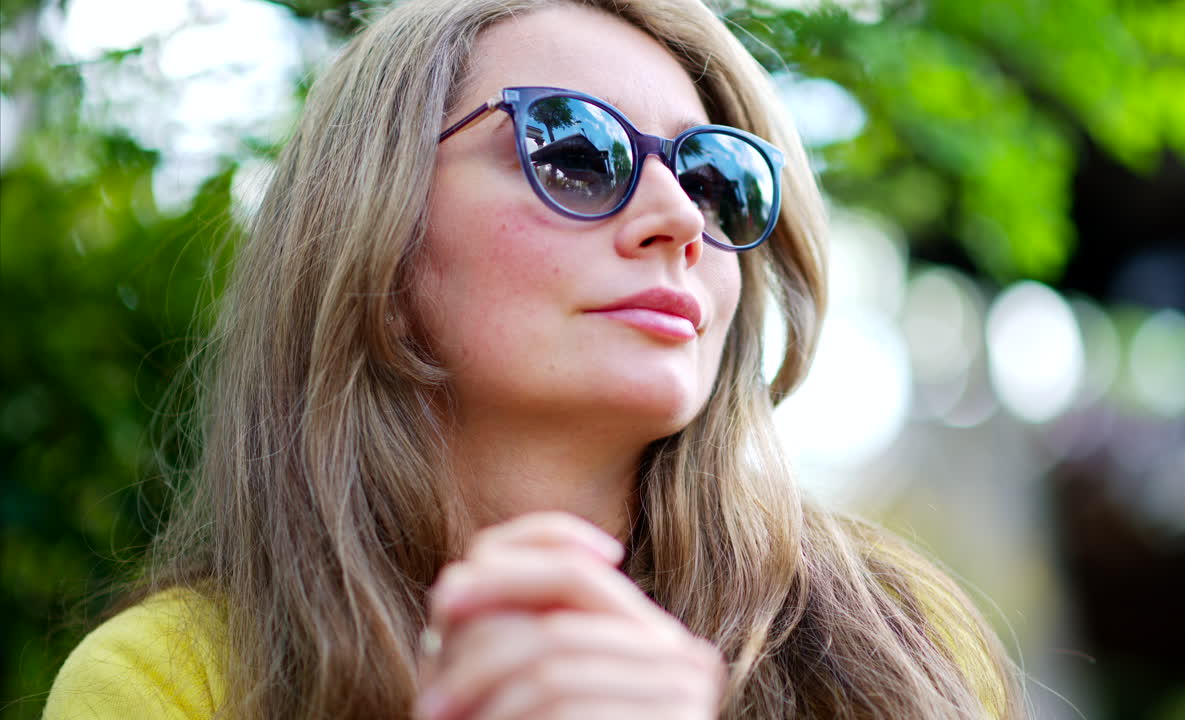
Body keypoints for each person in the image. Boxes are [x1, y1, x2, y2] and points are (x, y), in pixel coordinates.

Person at [44, 0, 1025, 718]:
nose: (680, 218)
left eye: (713, 178)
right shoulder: (172, 683)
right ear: (374, 234)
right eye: (576, 152)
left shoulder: (892, 646)